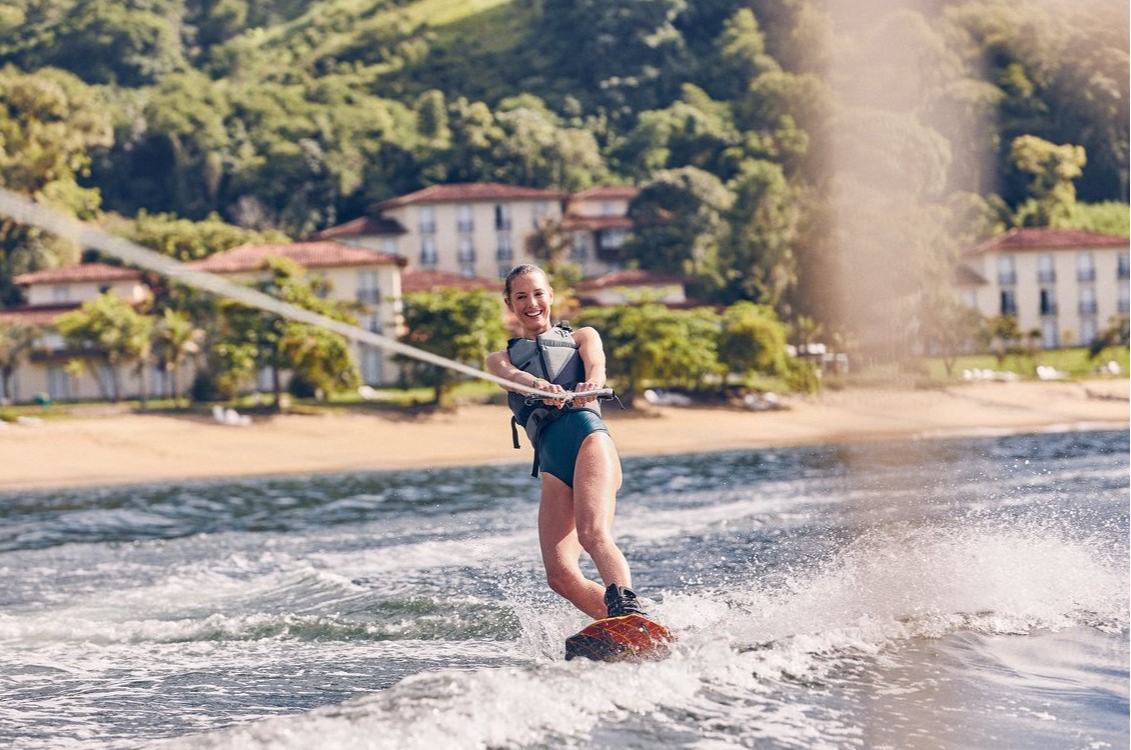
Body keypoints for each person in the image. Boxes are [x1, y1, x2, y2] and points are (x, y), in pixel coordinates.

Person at [486, 264, 646, 622]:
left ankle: (629, 614)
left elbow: (597, 366)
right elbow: (512, 376)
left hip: (587, 437)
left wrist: (592, 385)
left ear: (551, 296)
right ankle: (624, 625)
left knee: (592, 534)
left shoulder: (583, 336)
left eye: (538, 293)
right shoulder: (499, 359)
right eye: (521, 296)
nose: (532, 303)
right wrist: (538, 385)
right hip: (552, 463)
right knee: (559, 575)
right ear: (509, 304)